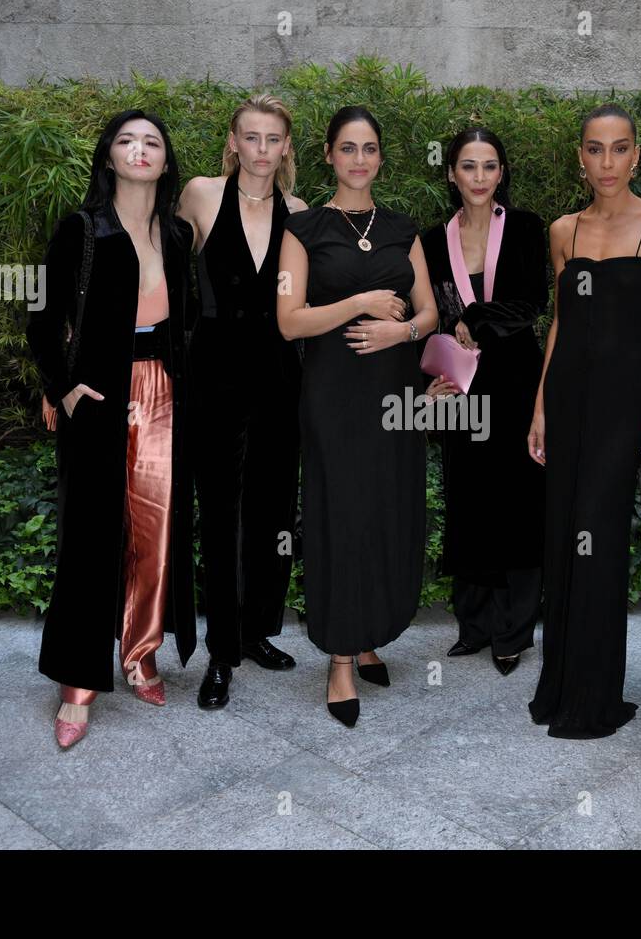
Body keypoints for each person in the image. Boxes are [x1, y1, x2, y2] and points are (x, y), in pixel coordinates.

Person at [26, 110, 196, 749]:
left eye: (153, 140)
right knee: (91, 535)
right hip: (99, 397)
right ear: (108, 157)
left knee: (154, 533)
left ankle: (142, 651)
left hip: (164, 395)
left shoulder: (178, 235)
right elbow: (43, 316)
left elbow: (189, 327)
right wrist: (60, 388)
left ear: (165, 159)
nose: (140, 149)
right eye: (127, 140)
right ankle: (77, 685)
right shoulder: (81, 230)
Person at [527, 103, 641, 739]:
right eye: (595, 150)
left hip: (625, 403)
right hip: (567, 398)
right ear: (580, 158)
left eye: (619, 149)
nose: (607, 163)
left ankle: (592, 695)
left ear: (636, 156)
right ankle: (562, 681)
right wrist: (540, 404)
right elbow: (561, 322)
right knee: (563, 534)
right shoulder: (563, 231)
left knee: (598, 535)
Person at [277, 106, 439, 727]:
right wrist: (359, 304)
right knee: (340, 516)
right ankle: (341, 659)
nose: (360, 159)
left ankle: (368, 630)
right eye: (348, 148)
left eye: (369, 148)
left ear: (380, 156)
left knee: (385, 513)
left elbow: (428, 314)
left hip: (394, 398)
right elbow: (289, 320)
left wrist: (402, 334)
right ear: (327, 155)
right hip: (335, 397)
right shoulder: (305, 229)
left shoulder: (402, 229)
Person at [177, 94, 309, 710]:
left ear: (286, 147)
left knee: (272, 512)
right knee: (222, 514)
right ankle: (221, 653)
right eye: (251, 138)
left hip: (282, 379)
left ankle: (257, 630)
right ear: (233, 140)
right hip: (216, 378)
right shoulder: (202, 195)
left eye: (273, 139)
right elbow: (164, 276)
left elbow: (306, 306)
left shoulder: (302, 212)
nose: (261, 150)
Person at [420, 127, 548, 676]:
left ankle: (514, 632)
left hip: (517, 382)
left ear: (502, 173)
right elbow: (425, 313)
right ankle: (473, 625)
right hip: (461, 387)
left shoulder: (524, 228)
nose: (478, 177)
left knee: (518, 505)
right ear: (451, 173)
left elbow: (532, 302)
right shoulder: (430, 242)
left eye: (489, 166)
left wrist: (478, 320)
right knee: (469, 501)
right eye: (467, 167)